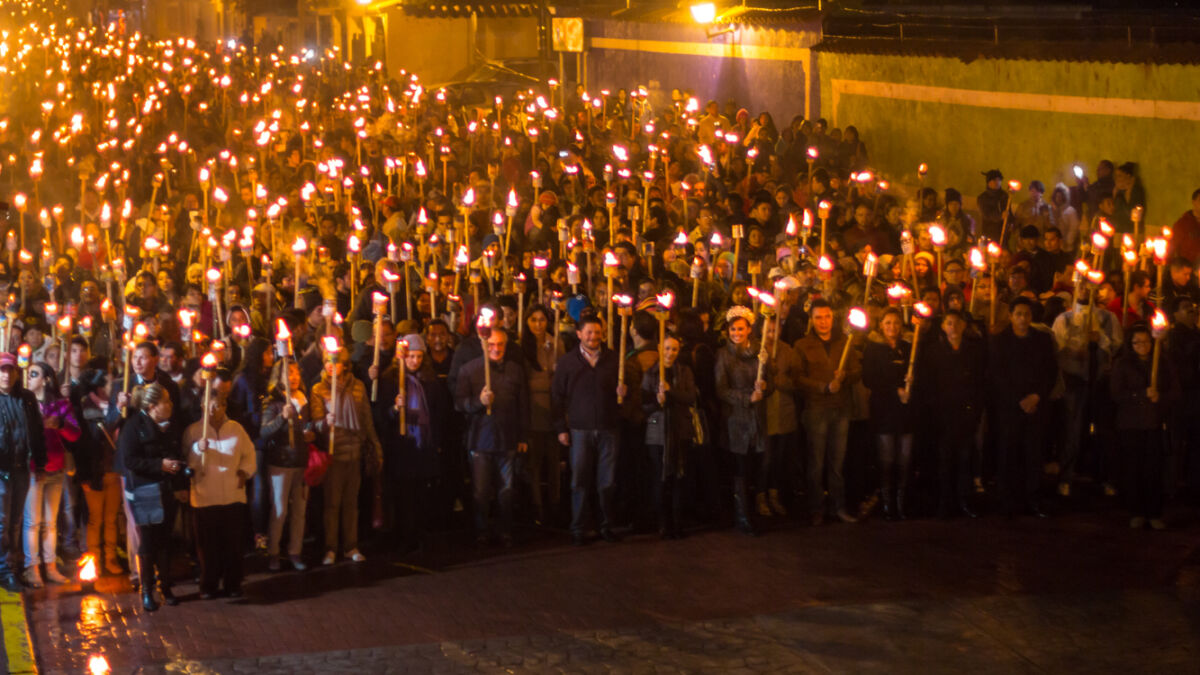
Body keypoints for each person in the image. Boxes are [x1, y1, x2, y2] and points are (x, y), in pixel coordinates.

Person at [552, 314, 625, 546]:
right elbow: (557, 397)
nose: (594, 337)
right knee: (579, 481)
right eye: (589, 332)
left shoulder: (615, 360)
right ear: (579, 334)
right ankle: (578, 528)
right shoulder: (567, 362)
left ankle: (607, 525)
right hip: (579, 429)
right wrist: (560, 428)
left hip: (608, 427)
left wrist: (625, 393)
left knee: (607, 481)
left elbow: (627, 394)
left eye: (597, 332)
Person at [455, 326, 529, 547]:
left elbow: (522, 405)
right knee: (480, 491)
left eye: (501, 345)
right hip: (480, 441)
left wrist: (523, 436)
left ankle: (505, 530)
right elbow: (459, 404)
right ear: (483, 345)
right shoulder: (469, 370)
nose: (496, 349)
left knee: (506, 490)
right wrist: (479, 402)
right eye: (492, 345)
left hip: (507, 439)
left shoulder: (515, 370)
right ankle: (482, 531)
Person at [310, 345, 382, 565]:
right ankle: (330, 548)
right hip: (334, 455)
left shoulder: (358, 387)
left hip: (354, 452)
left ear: (344, 364)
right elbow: (315, 422)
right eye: (327, 362)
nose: (331, 367)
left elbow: (366, 421)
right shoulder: (318, 389)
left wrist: (375, 445)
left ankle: (351, 546)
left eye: (336, 362)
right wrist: (325, 422)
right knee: (332, 504)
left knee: (351, 503)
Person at [117, 383, 185, 612]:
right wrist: (159, 465)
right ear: (153, 406)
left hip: (166, 489)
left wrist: (175, 468)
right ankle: (147, 590)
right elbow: (130, 461)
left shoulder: (169, 427)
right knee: (147, 542)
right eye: (166, 401)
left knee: (165, 540)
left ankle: (165, 586)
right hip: (145, 491)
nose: (170, 405)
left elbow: (176, 451)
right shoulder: (134, 426)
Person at [989, 298, 1057, 518]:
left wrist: (1036, 396)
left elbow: (1050, 371)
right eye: (1018, 314)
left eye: (1026, 314)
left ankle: (1033, 498)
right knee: (1009, 453)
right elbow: (998, 375)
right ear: (1010, 316)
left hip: (1036, 406)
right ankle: (1008, 500)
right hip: (1010, 407)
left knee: (1033, 453)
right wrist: (1019, 399)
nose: (1022, 318)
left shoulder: (1043, 340)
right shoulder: (999, 341)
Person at [794, 300, 860, 525]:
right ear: (811, 320)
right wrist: (823, 386)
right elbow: (798, 378)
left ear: (833, 318)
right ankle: (816, 509)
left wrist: (846, 377)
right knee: (816, 464)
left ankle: (838, 507)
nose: (823, 321)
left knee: (837, 464)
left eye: (827, 317)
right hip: (816, 410)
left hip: (841, 409)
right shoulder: (802, 345)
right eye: (818, 317)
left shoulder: (845, 341)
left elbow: (857, 371)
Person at [183, 394, 256, 598]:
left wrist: (244, 471)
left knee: (233, 544)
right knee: (208, 546)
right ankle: (209, 585)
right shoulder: (193, 431)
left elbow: (249, 454)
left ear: (225, 407)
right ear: (202, 406)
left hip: (232, 495)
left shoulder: (236, 429)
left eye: (219, 406)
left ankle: (233, 584)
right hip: (205, 497)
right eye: (210, 406)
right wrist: (198, 449)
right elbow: (187, 462)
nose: (214, 410)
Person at [1110, 324, 1179, 530]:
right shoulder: (1122, 364)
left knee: (1154, 468)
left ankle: (1154, 512)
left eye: (1146, 341)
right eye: (1137, 342)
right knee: (1134, 468)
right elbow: (1116, 394)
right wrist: (1141, 394)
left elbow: (1175, 392)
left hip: (1154, 423)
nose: (1142, 346)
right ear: (1130, 344)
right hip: (1131, 424)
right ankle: (1136, 511)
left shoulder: (1163, 363)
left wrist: (1161, 397)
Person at [922, 310, 987, 519]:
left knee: (964, 458)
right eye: (949, 323)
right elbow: (929, 384)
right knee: (944, 460)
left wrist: (975, 411)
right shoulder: (934, 352)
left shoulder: (973, 351)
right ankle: (944, 502)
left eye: (957, 323)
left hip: (965, 414)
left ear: (963, 326)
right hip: (943, 415)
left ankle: (963, 500)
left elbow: (979, 383)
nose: (953, 327)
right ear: (943, 326)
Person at [715, 306, 773, 535]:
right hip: (736, 421)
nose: (736, 333)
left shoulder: (761, 352)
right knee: (740, 467)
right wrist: (746, 397)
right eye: (733, 329)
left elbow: (772, 380)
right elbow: (721, 389)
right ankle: (742, 515)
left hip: (757, 420)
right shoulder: (723, 355)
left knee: (756, 465)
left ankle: (752, 508)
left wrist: (765, 387)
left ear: (749, 329)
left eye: (741, 329)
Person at [21, 363, 78, 587]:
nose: (28, 377)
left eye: (34, 374)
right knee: (32, 522)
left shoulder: (60, 405)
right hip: (33, 469)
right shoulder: (23, 404)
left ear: (45, 379)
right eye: (27, 374)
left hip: (56, 467)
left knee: (50, 522)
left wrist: (60, 424)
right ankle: (32, 568)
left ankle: (50, 566)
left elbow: (74, 433)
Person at [641, 333, 698, 539]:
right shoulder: (650, 374)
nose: (670, 353)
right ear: (659, 349)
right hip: (657, 434)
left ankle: (678, 520)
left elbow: (690, 397)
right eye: (666, 348)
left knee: (679, 476)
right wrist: (658, 401)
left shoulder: (685, 372)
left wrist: (671, 391)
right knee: (660, 478)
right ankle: (662, 521)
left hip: (680, 430)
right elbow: (644, 406)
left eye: (674, 349)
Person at [259, 358, 313, 571]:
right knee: (280, 510)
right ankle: (273, 551)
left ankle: (295, 551)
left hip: (301, 461)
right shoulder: (272, 401)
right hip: (281, 462)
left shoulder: (303, 399)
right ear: (279, 377)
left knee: (300, 510)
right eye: (288, 373)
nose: (294, 377)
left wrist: (311, 430)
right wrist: (282, 417)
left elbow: (307, 424)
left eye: (296, 372)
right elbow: (264, 431)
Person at [861, 308, 914, 521]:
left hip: (906, 411)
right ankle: (886, 501)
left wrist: (911, 385)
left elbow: (917, 373)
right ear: (881, 325)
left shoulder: (909, 347)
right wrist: (895, 390)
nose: (892, 327)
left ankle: (902, 501)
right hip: (884, 410)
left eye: (896, 323)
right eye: (888, 323)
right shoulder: (873, 349)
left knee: (905, 457)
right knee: (887, 458)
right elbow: (870, 379)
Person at [76, 368, 125, 576]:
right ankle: (94, 560)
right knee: (95, 519)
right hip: (95, 472)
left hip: (113, 470)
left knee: (112, 518)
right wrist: (84, 475)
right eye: (110, 383)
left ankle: (111, 557)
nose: (115, 387)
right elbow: (98, 433)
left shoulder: (115, 406)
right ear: (99, 386)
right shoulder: (87, 406)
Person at [520, 305, 561, 526]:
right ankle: (537, 509)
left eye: (542, 320)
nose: (538, 324)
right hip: (533, 411)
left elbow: (562, 375)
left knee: (553, 464)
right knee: (534, 465)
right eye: (533, 320)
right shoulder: (522, 347)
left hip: (552, 410)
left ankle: (554, 506)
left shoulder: (555, 344)